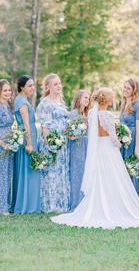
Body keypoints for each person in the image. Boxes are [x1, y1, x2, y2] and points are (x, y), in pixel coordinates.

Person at [51, 87, 139, 229]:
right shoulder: (108, 116)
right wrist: (123, 140)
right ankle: (115, 206)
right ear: (106, 99)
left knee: (101, 178)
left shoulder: (92, 113)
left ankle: (98, 206)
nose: (113, 99)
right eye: (111, 97)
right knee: (114, 178)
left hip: (98, 150)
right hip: (109, 150)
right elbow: (113, 138)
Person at [37, 73, 70, 213]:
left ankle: (61, 202)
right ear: (48, 87)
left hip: (63, 142)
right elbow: (45, 126)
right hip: (51, 142)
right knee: (51, 172)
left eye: (59, 83)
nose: (58, 86)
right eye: (55, 84)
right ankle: (51, 204)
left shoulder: (61, 101)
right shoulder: (44, 103)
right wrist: (50, 143)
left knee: (61, 171)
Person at [11, 75, 40, 214]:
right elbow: (26, 124)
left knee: (29, 170)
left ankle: (27, 202)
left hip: (29, 135)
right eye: (29, 85)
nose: (32, 88)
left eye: (33, 85)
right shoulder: (22, 101)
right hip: (28, 137)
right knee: (28, 170)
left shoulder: (22, 100)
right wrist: (29, 143)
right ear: (22, 87)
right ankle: (27, 205)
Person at [120, 78, 139, 204]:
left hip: (134, 141)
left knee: (133, 170)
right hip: (124, 143)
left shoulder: (138, 104)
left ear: (134, 90)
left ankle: (135, 202)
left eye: (128, 88)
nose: (125, 90)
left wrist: (137, 148)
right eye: (124, 87)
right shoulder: (124, 102)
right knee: (124, 171)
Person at [69, 89, 90, 211]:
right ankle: (77, 203)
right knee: (78, 172)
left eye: (88, 98)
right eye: (85, 97)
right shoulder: (74, 114)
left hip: (88, 146)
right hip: (77, 146)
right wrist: (81, 132)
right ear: (78, 99)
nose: (87, 100)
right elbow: (70, 135)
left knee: (87, 172)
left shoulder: (87, 114)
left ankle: (87, 202)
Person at [0, 79, 14, 215]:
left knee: (8, 174)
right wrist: (3, 143)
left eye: (9, 90)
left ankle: (5, 204)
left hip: (10, 144)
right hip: (2, 145)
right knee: (2, 175)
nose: (8, 93)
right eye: (5, 90)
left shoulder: (8, 106)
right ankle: (2, 207)